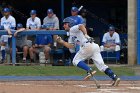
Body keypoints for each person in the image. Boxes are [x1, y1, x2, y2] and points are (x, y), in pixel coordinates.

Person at [56, 17, 120, 86]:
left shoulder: (72, 28)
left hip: (87, 46)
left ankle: (89, 70)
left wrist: (86, 34)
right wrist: (61, 41)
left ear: (70, 24)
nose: (64, 25)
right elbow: (71, 46)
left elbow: (81, 26)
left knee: (75, 60)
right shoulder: (71, 35)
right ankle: (115, 77)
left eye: (65, 24)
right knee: (102, 66)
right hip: (94, 47)